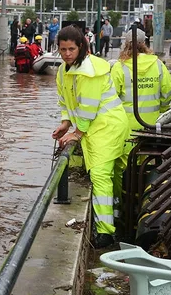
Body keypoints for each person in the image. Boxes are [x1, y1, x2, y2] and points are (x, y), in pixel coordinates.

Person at [52, 26, 130, 248]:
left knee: (100, 174)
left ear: (81, 47)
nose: (67, 53)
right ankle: (115, 216)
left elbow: (88, 107)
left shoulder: (90, 71)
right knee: (112, 174)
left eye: (71, 49)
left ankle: (105, 233)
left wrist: (76, 133)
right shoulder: (63, 71)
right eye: (63, 49)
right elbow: (65, 100)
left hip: (107, 126)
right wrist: (65, 124)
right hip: (97, 126)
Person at [111, 28, 171, 130]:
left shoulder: (119, 67)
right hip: (152, 124)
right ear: (144, 43)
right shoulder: (158, 64)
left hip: (126, 126)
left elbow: (111, 97)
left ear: (126, 44)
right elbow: (167, 91)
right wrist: (162, 108)